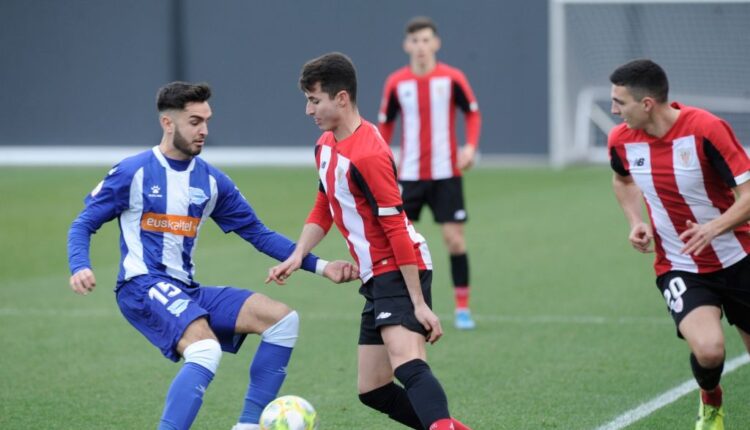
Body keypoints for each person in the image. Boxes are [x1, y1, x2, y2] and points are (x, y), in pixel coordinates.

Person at [67, 81, 357, 430]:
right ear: (168, 123)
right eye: (194, 121)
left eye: (206, 120)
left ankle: (248, 425)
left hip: (186, 288)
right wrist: (80, 265)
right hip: (141, 286)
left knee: (281, 320)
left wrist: (322, 266)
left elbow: (258, 233)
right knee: (205, 348)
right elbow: (83, 224)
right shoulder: (133, 172)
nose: (204, 130)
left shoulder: (212, 181)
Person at [266, 52, 470, 430]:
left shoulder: (371, 154)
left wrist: (419, 303)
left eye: (315, 100)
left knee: (407, 362)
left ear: (341, 98)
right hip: (375, 275)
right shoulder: (325, 146)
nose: (309, 110)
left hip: (399, 264)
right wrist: (298, 255)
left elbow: (395, 230)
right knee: (373, 389)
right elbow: (324, 204)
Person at [609, 59, 750, 430]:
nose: (613, 110)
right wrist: (635, 221)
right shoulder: (621, 140)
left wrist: (713, 228)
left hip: (740, 258)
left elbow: (748, 194)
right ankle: (711, 401)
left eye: (619, 102)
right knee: (708, 350)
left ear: (647, 104)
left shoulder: (706, 129)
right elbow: (623, 180)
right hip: (680, 265)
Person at [377, 16, 482, 330]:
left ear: (435, 43)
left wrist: (470, 147)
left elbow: (473, 115)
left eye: (426, 40)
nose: (421, 47)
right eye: (415, 41)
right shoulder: (397, 82)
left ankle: (462, 309)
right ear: (406, 45)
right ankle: (398, 303)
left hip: (447, 173)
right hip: (408, 175)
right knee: (397, 241)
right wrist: (384, 157)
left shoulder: (451, 78)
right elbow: (385, 124)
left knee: (454, 240)